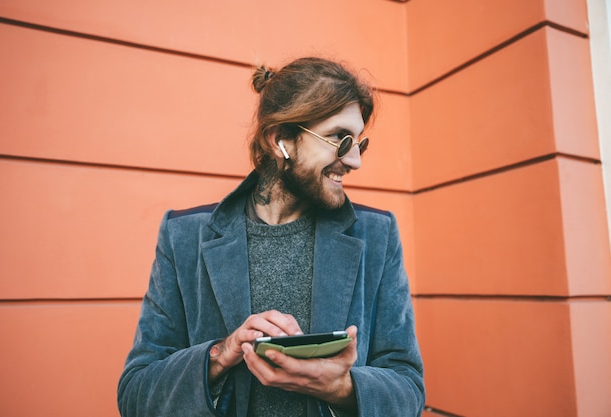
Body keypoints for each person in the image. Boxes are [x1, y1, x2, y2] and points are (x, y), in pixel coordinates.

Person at [117, 56, 425, 417]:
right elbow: (135, 395)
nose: (355, 161)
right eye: (339, 140)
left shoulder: (377, 236)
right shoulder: (184, 236)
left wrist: (343, 390)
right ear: (280, 140)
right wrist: (219, 355)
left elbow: (409, 390)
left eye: (359, 143)